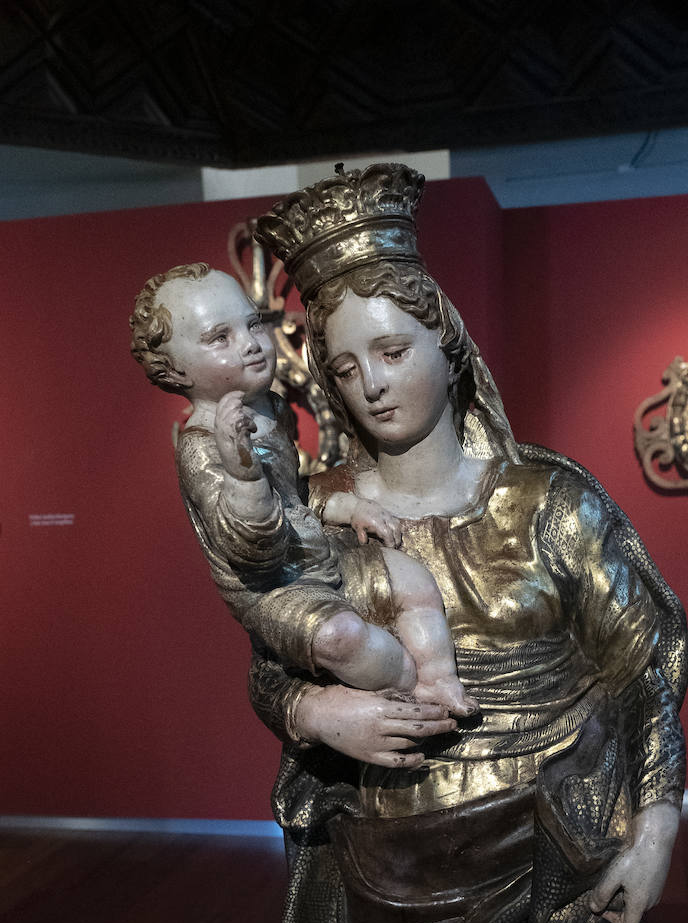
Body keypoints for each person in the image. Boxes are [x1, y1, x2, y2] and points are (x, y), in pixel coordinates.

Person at [245, 163, 688, 923]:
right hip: (393, 844)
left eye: (390, 349)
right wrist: (316, 715)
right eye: (344, 366)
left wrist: (652, 829)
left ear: (443, 341)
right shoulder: (319, 514)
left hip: (554, 828)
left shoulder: (549, 503)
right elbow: (266, 667)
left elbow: (641, 663)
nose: (371, 382)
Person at [129, 263, 475, 715]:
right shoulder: (203, 447)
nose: (250, 343)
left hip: (315, 554)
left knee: (410, 578)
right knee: (341, 638)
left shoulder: (271, 409)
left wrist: (345, 507)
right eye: (220, 338)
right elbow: (252, 549)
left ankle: (440, 680)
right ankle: (410, 692)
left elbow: (291, 495)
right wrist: (243, 474)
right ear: (175, 370)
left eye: (253, 324)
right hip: (274, 589)